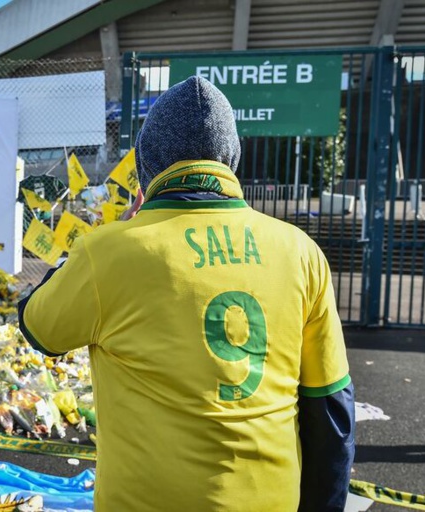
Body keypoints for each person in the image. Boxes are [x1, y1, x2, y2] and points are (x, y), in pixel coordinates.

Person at [18, 77, 354, 511]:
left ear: (147, 164)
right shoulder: (301, 252)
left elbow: (39, 327)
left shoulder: (109, 252)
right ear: (231, 157)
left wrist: (100, 243)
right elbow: (331, 410)